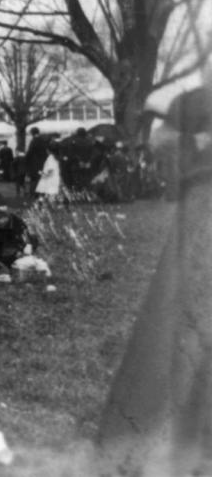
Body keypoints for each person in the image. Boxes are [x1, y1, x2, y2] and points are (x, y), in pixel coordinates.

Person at [96, 85, 212, 476]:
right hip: (204, 215)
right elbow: (163, 147)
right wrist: (193, 144)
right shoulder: (196, 100)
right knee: (183, 321)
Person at [25, 127, 49, 196]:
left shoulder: (34, 141)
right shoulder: (44, 140)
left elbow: (30, 152)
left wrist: (26, 159)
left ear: (32, 133)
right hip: (43, 162)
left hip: (35, 163)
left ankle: (34, 193)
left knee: (34, 178)